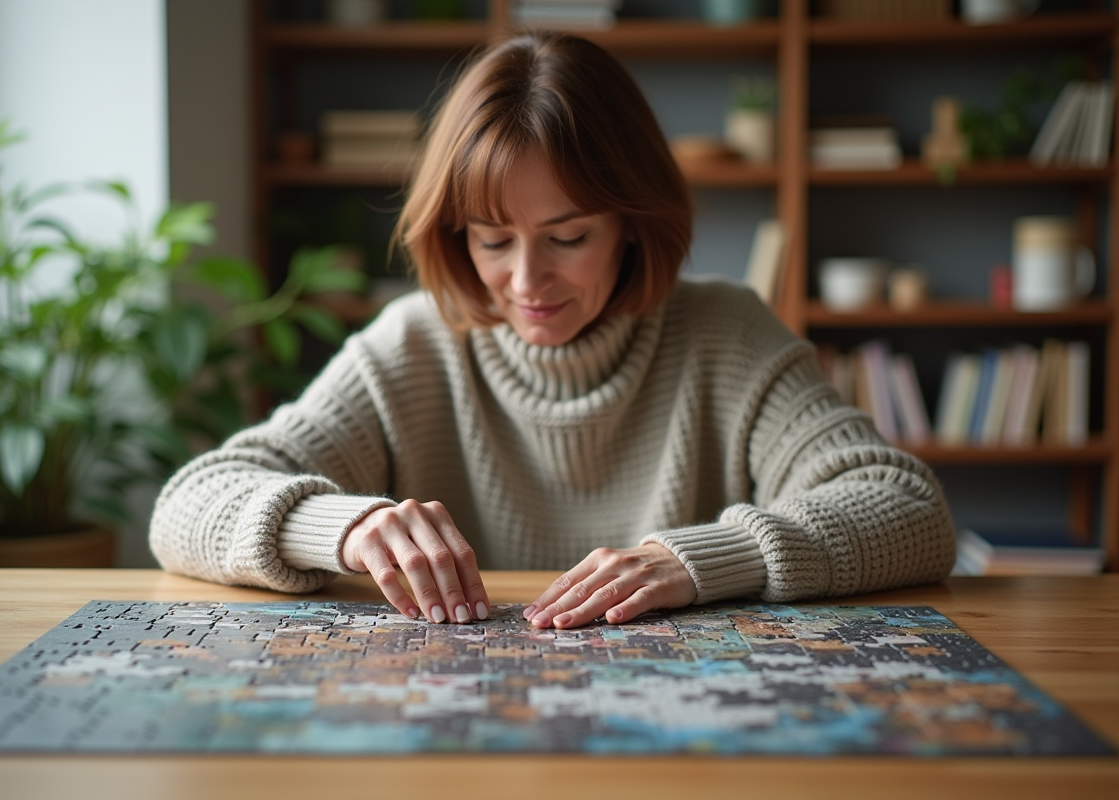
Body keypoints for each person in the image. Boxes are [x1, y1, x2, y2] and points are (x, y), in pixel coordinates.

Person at [150, 31, 956, 630]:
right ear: (452, 232)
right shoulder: (412, 344)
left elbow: (907, 509)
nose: (526, 282)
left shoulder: (725, 333)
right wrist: (348, 526)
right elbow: (186, 505)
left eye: (568, 237)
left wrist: (700, 558)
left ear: (633, 225)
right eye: (492, 239)